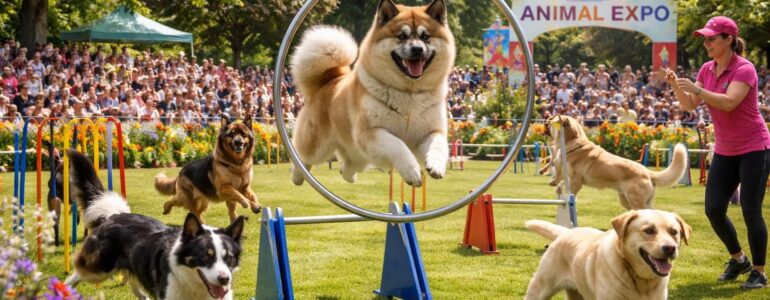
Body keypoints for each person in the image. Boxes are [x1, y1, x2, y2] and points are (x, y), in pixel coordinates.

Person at [666, 16, 770, 289]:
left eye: (712, 38)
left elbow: (729, 103)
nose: (706, 43)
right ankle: (739, 259)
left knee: (750, 210)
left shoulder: (744, 69)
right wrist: (678, 85)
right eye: (705, 38)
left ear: (729, 40)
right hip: (726, 149)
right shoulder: (706, 69)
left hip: (754, 147)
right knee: (713, 209)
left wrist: (698, 88)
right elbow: (689, 105)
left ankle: (758, 271)